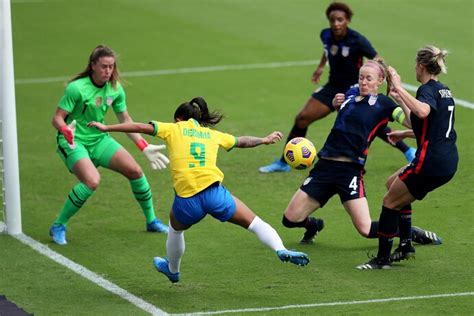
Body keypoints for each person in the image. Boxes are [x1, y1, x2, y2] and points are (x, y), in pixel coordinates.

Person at [88, 97, 310, 283]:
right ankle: (280, 248)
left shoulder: (173, 128)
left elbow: (138, 126)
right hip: (216, 195)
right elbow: (242, 141)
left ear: (179, 119)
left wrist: (107, 127)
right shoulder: (211, 134)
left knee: (176, 230)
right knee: (255, 223)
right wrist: (264, 139)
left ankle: (173, 270)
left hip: (187, 201)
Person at [281, 59, 441, 248]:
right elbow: (345, 119)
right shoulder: (350, 94)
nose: (363, 82)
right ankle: (314, 225)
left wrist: (400, 99)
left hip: (349, 172)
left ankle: (407, 231)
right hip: (324, 168)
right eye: (361, 78)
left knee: (365, 229)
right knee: (289, 219)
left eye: (368, 78)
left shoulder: (384, 104)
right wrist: (335, 104)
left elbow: (412, 124)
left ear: (380, 81)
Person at [259, 1, 415, 173]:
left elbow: (377, 58)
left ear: (347, 20)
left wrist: (380, 75)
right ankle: (284, 163)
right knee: (302, 118)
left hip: (356, 88)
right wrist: (320, 67)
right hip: (333, 87)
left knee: (369, 122)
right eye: (332, 20)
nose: (336, 24)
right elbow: (327, 50)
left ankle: (408, 151)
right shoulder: (325, 34)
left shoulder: (357, 40)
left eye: (340, 20)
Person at [50, 45, 170, 245]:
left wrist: (143, 145)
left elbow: (125, 120)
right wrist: (65, 130)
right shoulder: (77, 88)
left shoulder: (115, 89)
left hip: (99, 140)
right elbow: (57, 119)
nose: (108, 71)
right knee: (92, 181)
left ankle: (151, 221)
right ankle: (58, 225)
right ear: (93, 66)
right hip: (74, 142)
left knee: (135, 171)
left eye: (111, 67)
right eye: (104, 66)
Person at [357, 45, 458, 270]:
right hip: (447, 160)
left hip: (431, 161)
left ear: (421, 66)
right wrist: (399, 105)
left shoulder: (426, 90)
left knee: (389, 202)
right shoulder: (444, 90)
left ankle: (382, 259)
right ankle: (405, 245)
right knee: (392, 184)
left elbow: (422, 112)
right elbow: (426, 124)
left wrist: (401, 88)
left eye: (415, 64)